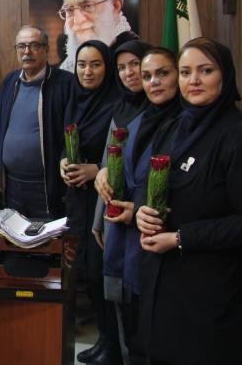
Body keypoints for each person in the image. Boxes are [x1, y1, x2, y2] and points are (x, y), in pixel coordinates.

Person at [134, 38, 242, 365]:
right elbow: (149, 182)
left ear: (225, 75)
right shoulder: (173, 126)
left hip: (210, 292)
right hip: (161, 287)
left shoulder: (235, 135)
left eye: (205, 71)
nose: (193, 80)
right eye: (185, 72)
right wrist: (141, 211)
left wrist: (181, 238)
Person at [95, 46, 180, 364]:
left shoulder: (186, 123)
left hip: (163, 248)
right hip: (127, 244)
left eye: (163, 74)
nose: (153, 82)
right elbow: (122, 169)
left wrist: (138, 207)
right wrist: (103, 172)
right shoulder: (138, 119)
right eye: (147, 76)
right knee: (132, 338)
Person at [59, 40, 121, 364]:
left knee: (100, 273)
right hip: (77, 200)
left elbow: (121, 153)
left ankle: (113, 343)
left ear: (107, 68)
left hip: (103, 201)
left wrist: (95, 169)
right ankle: (103, 339)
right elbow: (66, 140)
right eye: (82, 65)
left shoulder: (117, 102)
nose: (87, 71)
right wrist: (63, 162)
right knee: (84, 270)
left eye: (95, 64)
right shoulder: (74, 97)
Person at [0, 25, 73, 218]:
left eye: (34, 45)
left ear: (46, 49)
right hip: (12, 184)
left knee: (47, 235)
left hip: (47, 185)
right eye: (21, 46)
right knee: (14, 235)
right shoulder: (10, 81)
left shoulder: (65, 83)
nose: (27, 51)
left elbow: (73, 130)